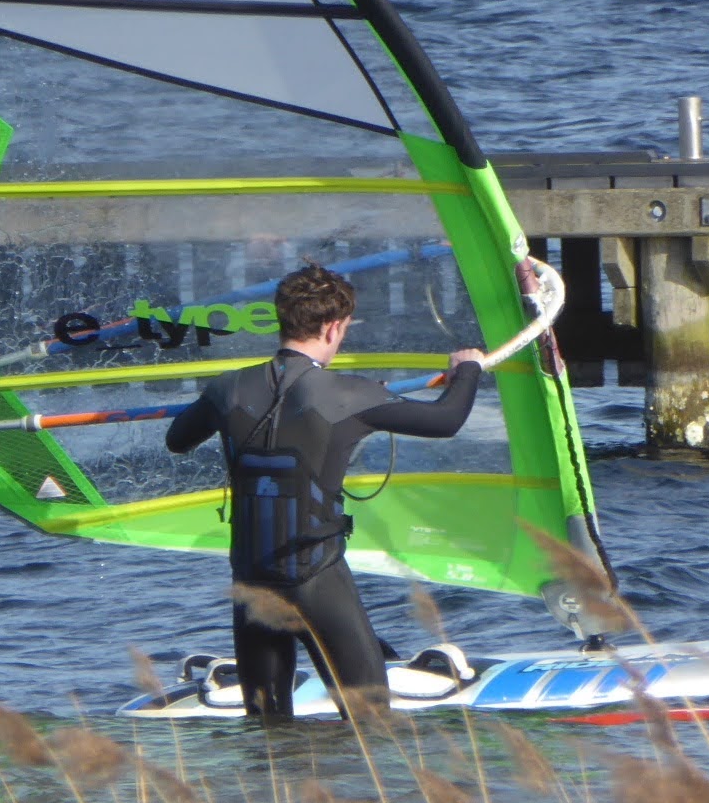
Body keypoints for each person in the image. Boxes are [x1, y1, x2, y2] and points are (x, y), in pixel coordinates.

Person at [165, 264, 483, 721]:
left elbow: (177, 440)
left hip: (251, 580)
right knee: (370, 722)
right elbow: (446, 420)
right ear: (334, 327)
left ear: (282, 319)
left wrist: (216, 410)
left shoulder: (227, 389)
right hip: (316, 578)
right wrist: (467, 369)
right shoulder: (352, 395)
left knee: (267, 728)